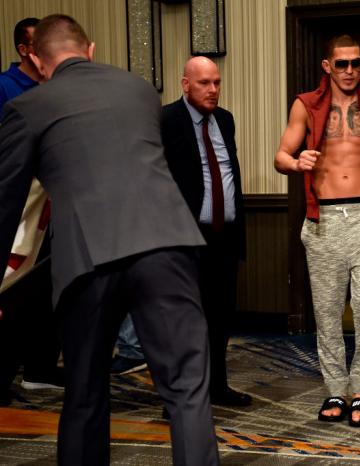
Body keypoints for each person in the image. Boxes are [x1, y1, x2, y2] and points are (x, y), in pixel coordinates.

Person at [0, 15, 219, 466]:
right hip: (166, 245)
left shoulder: (28, 107)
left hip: (88, 257)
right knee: (187, 390)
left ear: (38, 61)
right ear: (92, 49)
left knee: (85, 392)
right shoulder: (139, 89)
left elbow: (6, 202)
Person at [274, 35, 360, 427]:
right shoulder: (307, 105)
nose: (350, 71)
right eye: (342, 64)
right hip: (325, 220)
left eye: (357, 63)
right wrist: (297, 162)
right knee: (328, 310)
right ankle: (335, 388)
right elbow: (280, 155)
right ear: (327, 66)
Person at [161, 56, 249, 407]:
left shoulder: (224, 120)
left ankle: (217, 388)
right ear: (185, 84)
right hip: (185, 237)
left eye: (216, 83)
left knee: (220, 317)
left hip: (224, 236)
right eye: (204, 83)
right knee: (182, 323)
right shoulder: (166, 120)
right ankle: (179, 398)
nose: (213, 90)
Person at [0, 17, 63, 404]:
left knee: (45, 293)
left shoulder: (54, 87)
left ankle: (40, 367)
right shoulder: (6, 88)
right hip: (19, 206)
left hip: (54, 208)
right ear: (25, 51)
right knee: (10, 289)